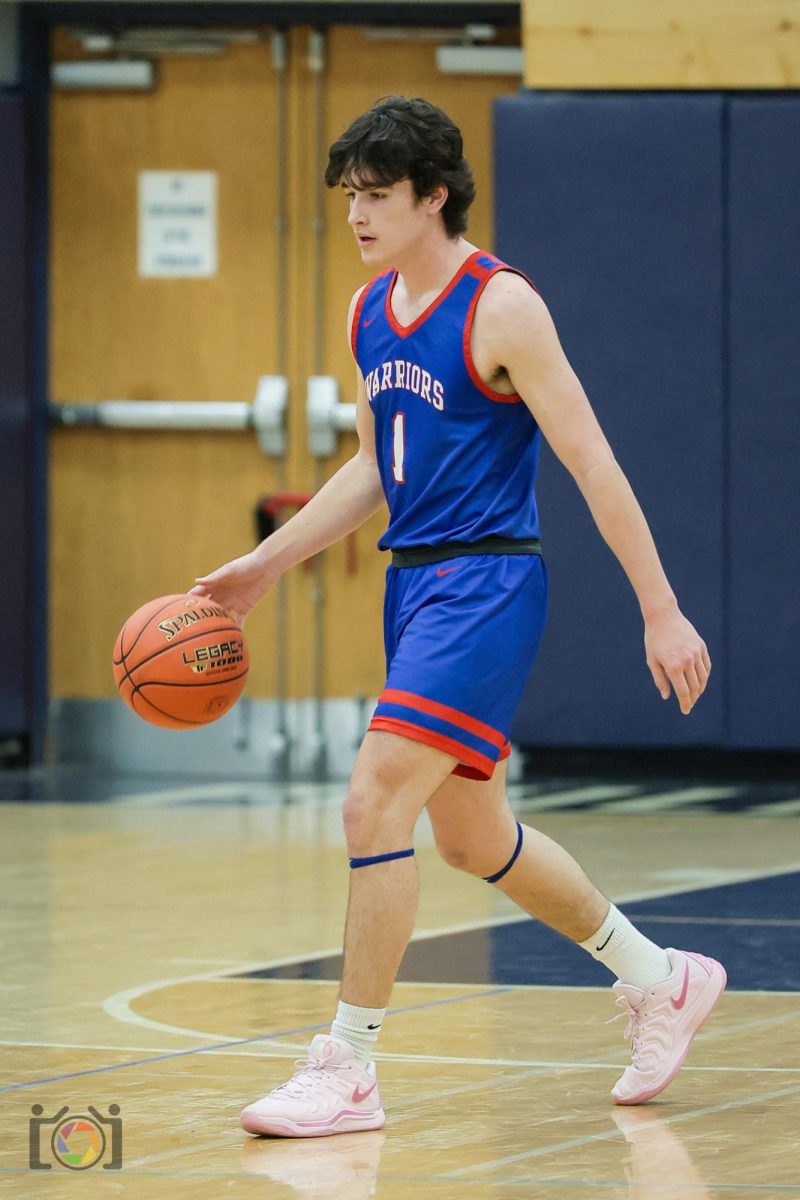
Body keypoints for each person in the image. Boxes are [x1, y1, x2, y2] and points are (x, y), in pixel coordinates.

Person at [192, 96, 725, 1139]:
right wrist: (262, 564)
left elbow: (591, 460)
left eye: (378, 195)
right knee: (473, 837)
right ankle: (658, 978)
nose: (357, 214)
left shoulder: (500, 306)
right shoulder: (366, 311)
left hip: (485, 586)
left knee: (369, 801)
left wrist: (660, 610)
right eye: (351, 195)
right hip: (413, 587)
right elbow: (371, 470)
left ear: (433, 195)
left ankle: (347, 1064)